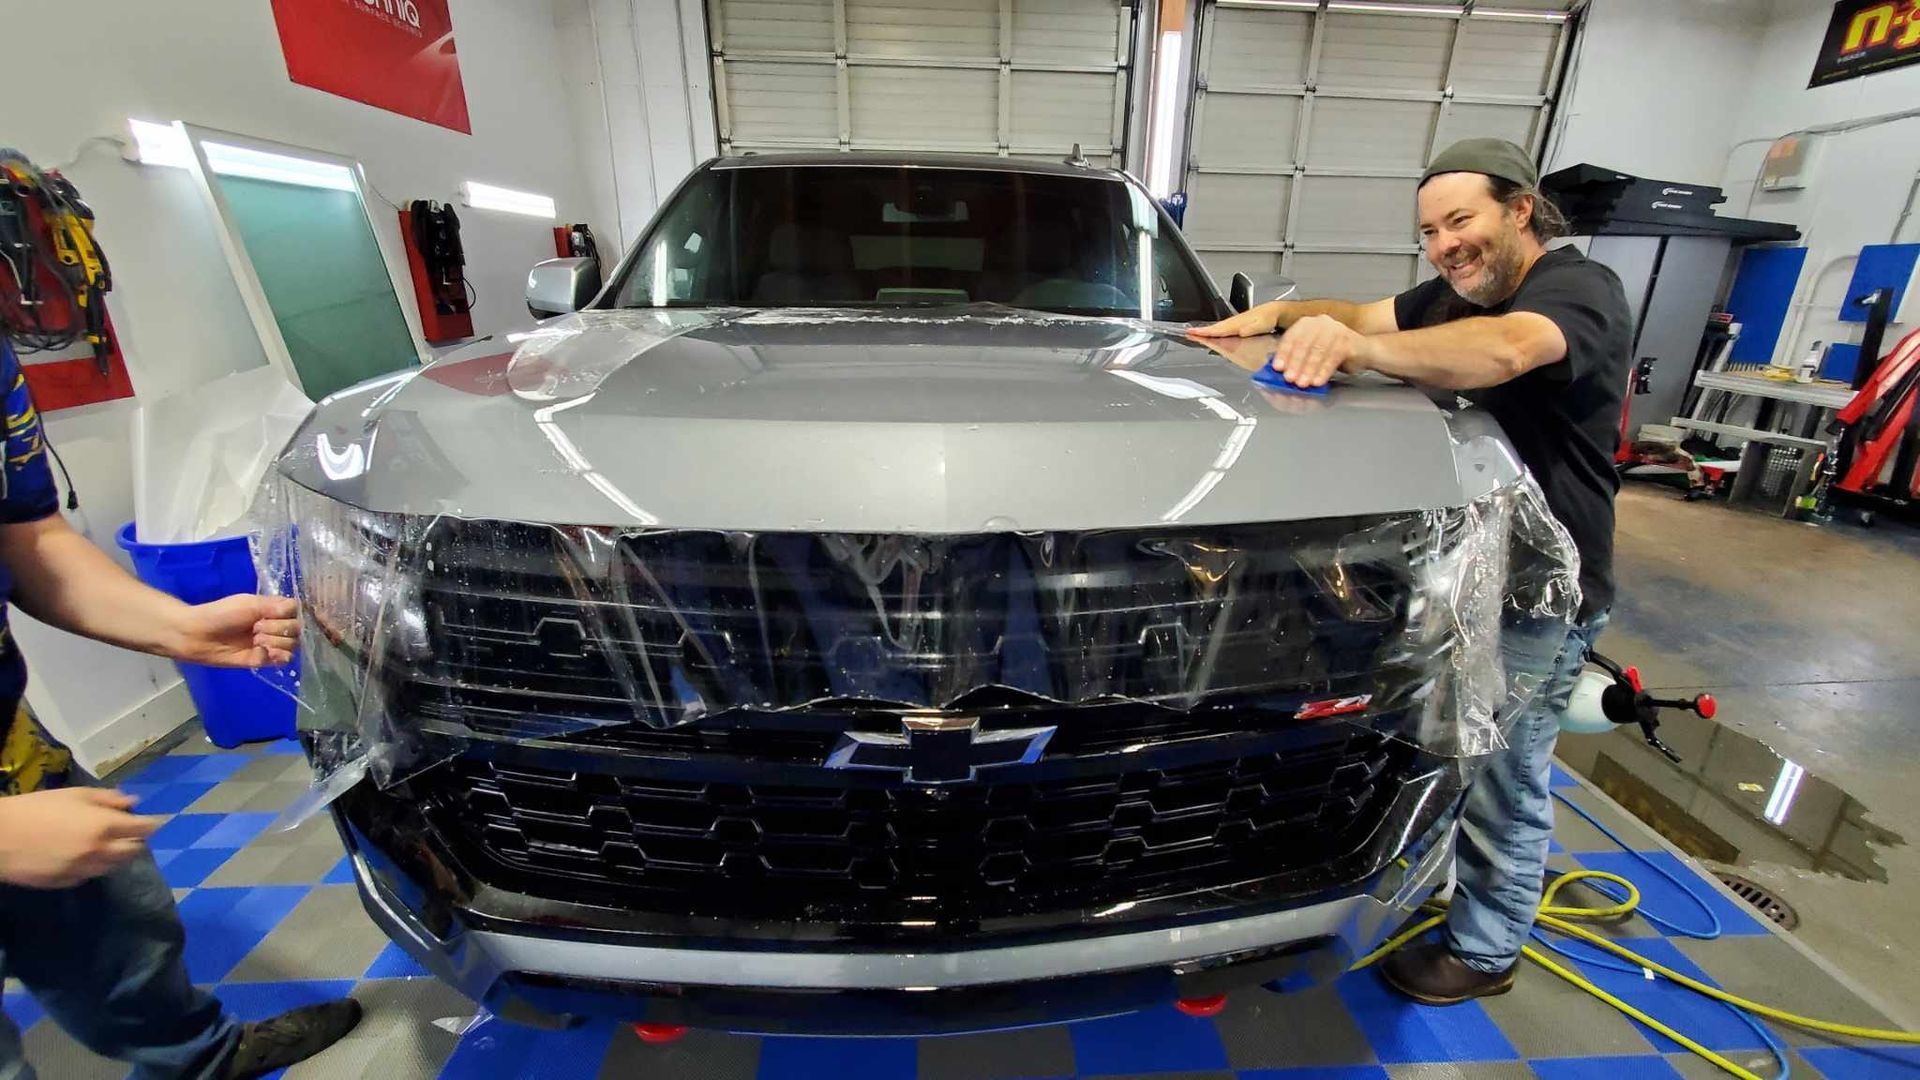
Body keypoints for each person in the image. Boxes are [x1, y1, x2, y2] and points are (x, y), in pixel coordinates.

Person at [1191, 137, 1633, 1005]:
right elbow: (1357, 311)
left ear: (1520, 208)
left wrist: (1355, 353)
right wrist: (1275, 317)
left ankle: (1487, 946)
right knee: (1446, 745)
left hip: (1541, 589)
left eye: (1460, 220)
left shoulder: (1576, 290)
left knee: (1507, 765)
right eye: (1430, 231)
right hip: (1466, 578)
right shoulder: (1450, 293)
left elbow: (1504, 352)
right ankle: (1435, 886)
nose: (1445, 244)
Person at [0, 337, 362, 1079]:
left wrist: (179, 626)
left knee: (122, 923)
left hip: (16, 753)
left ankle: (200, 1059)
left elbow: (28, 538)